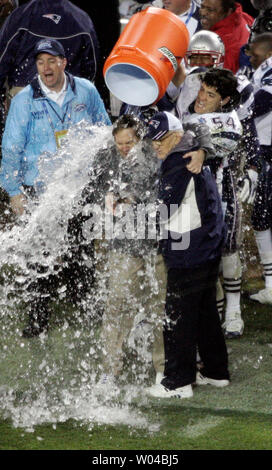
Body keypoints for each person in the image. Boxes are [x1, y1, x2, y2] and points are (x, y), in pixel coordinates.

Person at [0, 38, 111, 337]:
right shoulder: (25, 99)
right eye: (40, 62)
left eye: (51, 61)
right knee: (40, 252)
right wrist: (13, 190)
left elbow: (104, 131)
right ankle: (37, 318)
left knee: (82, 249)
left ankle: (85, 306)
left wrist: (105, 178)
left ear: (64, 62)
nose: (46, 67)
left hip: (80, 185)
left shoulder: (85, 90)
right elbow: (11, 147)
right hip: (40, 188)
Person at [145, 111, 229, 399]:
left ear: (177, 137)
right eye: (153, 140)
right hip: (207, 245)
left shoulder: (178, 162)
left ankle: (178, 382)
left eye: (161, 140)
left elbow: (161, 208)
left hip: (188, 250)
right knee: (205, 312)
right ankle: (217, 372)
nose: (156, 146)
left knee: (177, 316)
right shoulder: (191, 148)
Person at [0, 0, 99, 105]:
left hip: (25, 96)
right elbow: (92, 69)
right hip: (66, 97)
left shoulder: (21, 15)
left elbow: (2, 58)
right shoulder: (82, 19)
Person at [246, 33, 272, 305]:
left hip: (267, 150)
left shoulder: (270, 69)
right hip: (264, 149)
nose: (249, 55)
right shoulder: (261, 71)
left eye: (254, 51)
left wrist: (236, 109)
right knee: (262, 217)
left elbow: (264, 100)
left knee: (263, 216)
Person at [199, 0, 254, 73]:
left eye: (210, 10)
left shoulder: (222, 44)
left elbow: (221, 80)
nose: (203, 12)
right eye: (202, 7)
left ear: (228, 11)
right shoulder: (246, 17)